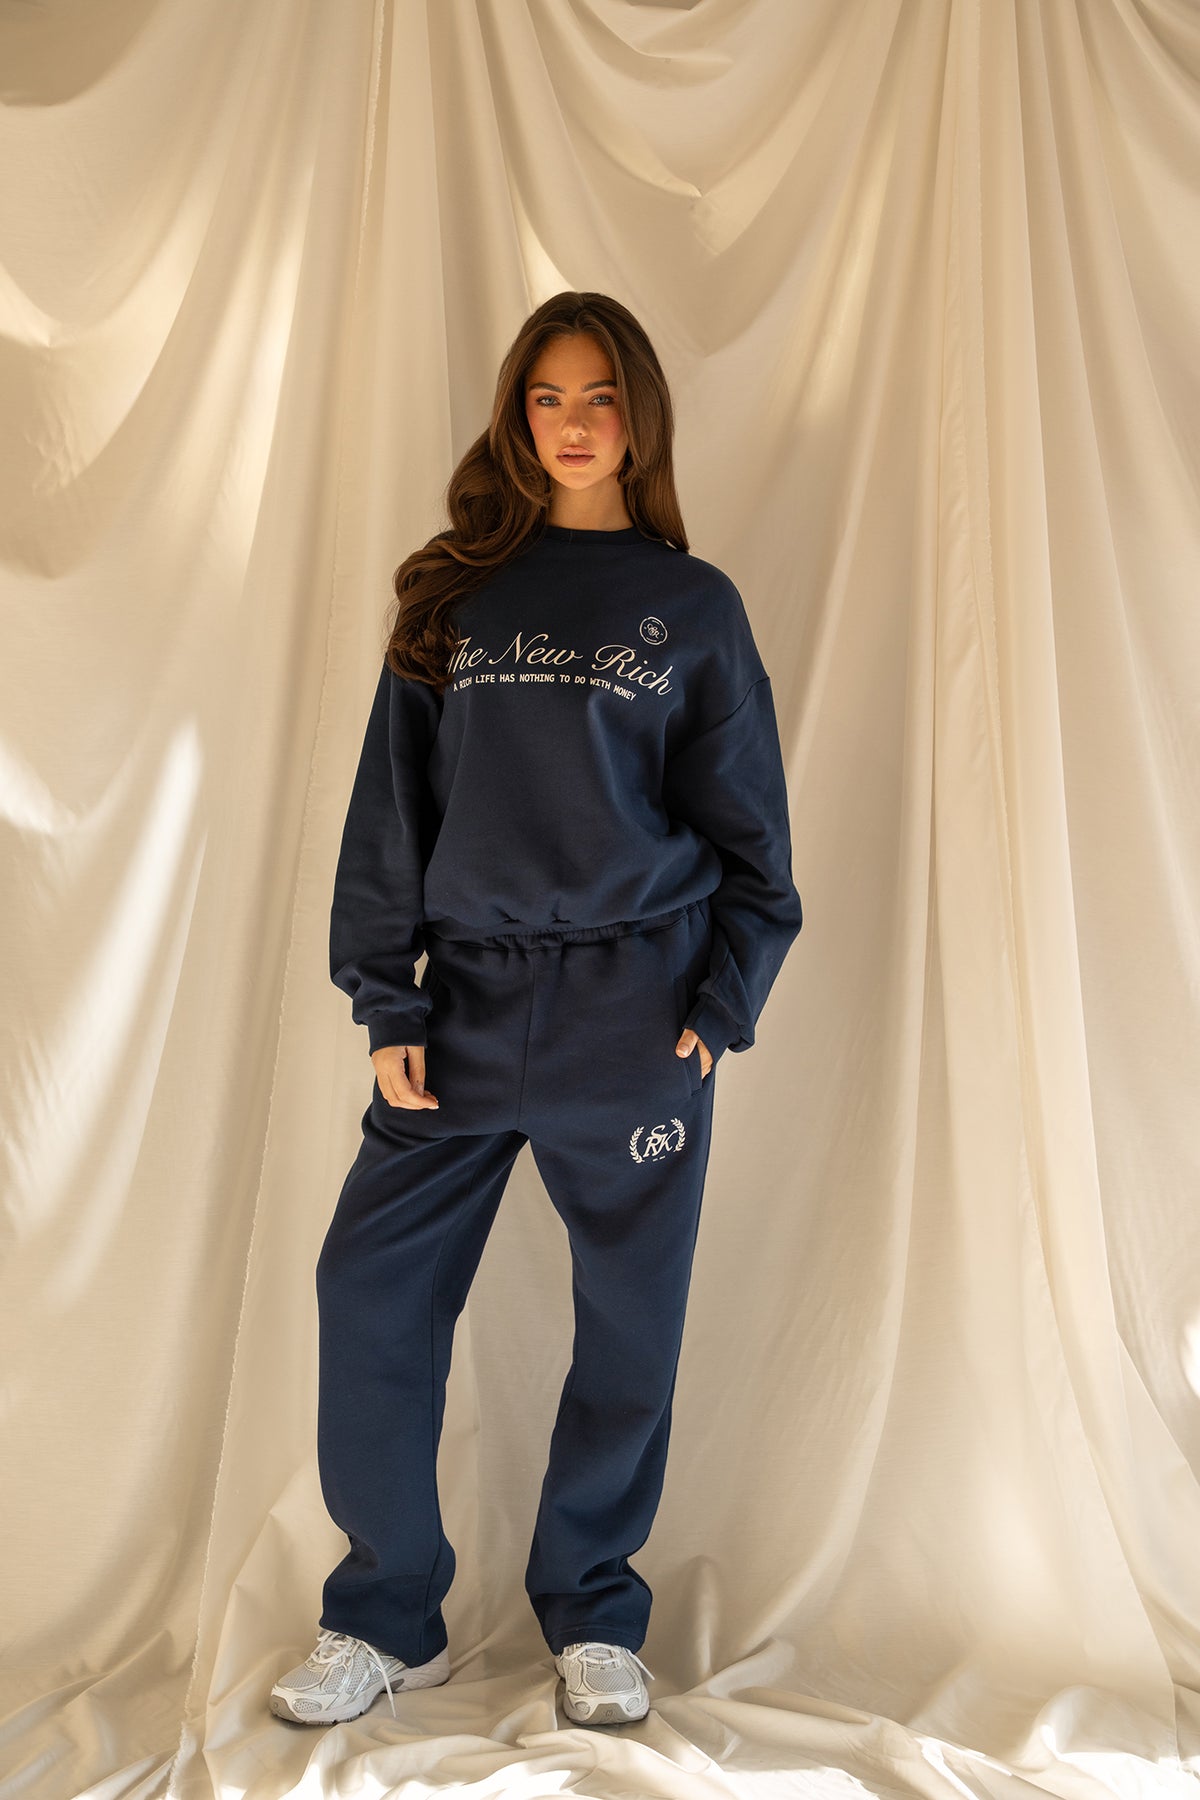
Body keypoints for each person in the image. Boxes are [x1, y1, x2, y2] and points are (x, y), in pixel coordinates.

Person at [269, 292, 803, 1729]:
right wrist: (386, 998)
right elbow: (391, 815)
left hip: (634, 1018)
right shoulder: (455, 595)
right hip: (461, 1009)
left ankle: (593, 1613)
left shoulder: (695, 609)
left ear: (640, 418)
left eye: (600, 397)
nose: (575, 425)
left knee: (628, 1328)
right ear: (516, 417)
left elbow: (756, 844)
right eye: (548, 398)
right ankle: (384, 1615)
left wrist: (720, 1006)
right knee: (369, 1293)